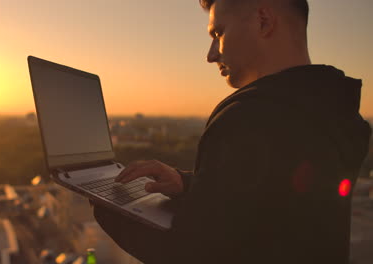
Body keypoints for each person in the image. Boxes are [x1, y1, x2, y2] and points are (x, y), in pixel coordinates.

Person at [93, 0, 371, 263]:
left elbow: (193, 255)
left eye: (218, 33)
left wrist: (107, 206)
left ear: (263, 21)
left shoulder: (247, 116)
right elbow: (276, 207)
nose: (211, 54)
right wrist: (189, 185)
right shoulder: (334, 109)